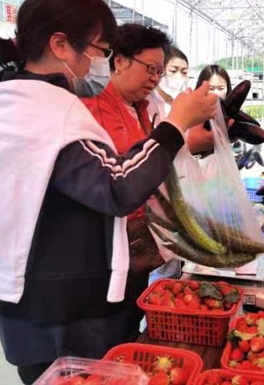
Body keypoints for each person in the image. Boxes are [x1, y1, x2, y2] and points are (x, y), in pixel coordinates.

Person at [0, 0, 217, 384]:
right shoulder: (45, 111)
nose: (102, 63)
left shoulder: (3, 101)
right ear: (61, 45)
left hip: (26, 296)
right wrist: (175, 125)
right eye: (101, 51)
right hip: (62, 307)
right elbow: (116, 188)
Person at [79, 23, 176, 341]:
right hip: (103, 250)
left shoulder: (142, 109)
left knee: (129, 323)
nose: (155, 78)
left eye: (159, 72)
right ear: (119, 61)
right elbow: (117, 178)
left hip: (137, 245)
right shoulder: (90, 109)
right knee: (107, 331)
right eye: (150, 68)